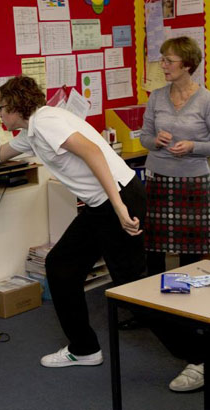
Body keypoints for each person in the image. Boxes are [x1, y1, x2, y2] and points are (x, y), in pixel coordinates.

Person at [0, 75, 146, 368]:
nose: (0, 114)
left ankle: (196, 356)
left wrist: (119, 207)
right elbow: (2, 153)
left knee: (131, 287)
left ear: (17, 106)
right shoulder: (33, 130)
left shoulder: (45, 122)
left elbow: (93, 152)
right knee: (60, 266)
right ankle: (84, 349)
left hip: (117, 199)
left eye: (2, 108)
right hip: (103, 204)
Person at [140, 36, 210, 392]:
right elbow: (144, 138)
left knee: (189, 260)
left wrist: (193, 146)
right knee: (152, 253)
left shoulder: (206, 99)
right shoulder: (156, 97)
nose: (163, 65)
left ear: (186, 63)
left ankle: (191, 321)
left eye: (168, 60)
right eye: (162, 60)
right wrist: (157, 142)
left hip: (194, 184)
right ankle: (156, 315)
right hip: (159, 180)